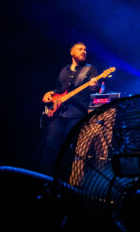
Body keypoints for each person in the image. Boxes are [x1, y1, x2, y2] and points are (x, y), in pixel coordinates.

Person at [38, 42, 99, 175]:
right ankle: (44, 179)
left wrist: (94, 86)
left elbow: (95, 90)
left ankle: (64, 182)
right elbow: (59, 90)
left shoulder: (90, 69)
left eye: (85, 49)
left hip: (77, 114)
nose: (84, 51)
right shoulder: (63, 70)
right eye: (80, 49)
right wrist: (50, 93)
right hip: (58, 114)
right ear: (72, 53)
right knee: (49, 147)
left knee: (69, 148)